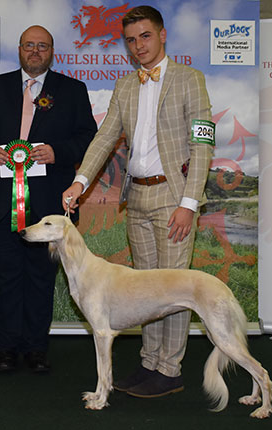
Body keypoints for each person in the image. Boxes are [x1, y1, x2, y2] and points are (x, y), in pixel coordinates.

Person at [63, 5, 214, 397]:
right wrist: (80, 182)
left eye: (145, 36)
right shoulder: (125, 86)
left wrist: (189, 203)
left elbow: (202, 144)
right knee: (145, 291)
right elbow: (103, 139)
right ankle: (150, 363)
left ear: (163, 35)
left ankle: (170, 369)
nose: (138, 46)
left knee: (176, 287)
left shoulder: (190, 79)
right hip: (138, 198)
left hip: (173, 197)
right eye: (131, 40)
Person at [0, 25, 97, 372]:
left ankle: (37, 349)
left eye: (43, 46)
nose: (35, 51)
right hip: (0, 203)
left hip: (49, 208)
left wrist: (57, 152)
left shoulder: (72, 90)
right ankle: (5, 348)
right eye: (29, 45)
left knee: (41, 280)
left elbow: (88, 139)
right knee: (6, 278)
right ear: (19, 49)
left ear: (52, 52)